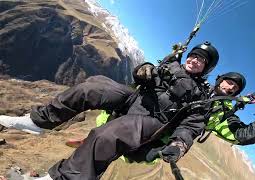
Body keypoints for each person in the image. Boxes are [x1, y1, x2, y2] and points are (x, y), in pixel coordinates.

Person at [1, 41, 220, 179]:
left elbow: (190, 126)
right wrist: (144, 70)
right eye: (193, 55)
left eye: (201, 60)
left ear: (206, 68)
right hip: (135, 99)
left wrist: (179, 145)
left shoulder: (200, 96)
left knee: (106, 135)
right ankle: (39, 122)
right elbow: (141, 73)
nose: (194, 60)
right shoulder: (170, 65)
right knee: (93, 86)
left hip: (154, 121)